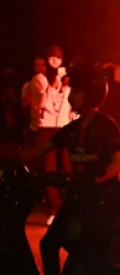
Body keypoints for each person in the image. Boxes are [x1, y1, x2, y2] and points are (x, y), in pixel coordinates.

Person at [24, 68, 120, 275]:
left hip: (102, 197)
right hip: (80, 196)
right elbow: (41, 149)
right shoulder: (72, 129)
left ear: (90, 94)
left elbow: (119, 163)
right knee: (49, 243)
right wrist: (14, 157)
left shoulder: (106, 126)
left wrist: (93, 180)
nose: (72, 97)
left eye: (77, 92)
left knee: (91, 245)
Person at [29, 46, 74, 225]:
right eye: (51, 58)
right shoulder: (39, 79)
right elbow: (39, 104)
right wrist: (52, 87)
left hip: (63, 126)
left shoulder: (67, 78)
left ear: (61, 61)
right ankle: (53, 209)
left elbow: (71, 103)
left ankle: (72, 207)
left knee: (69, 167)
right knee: (49, 169)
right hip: (46, 126)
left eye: (57, 58)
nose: (54, 61)